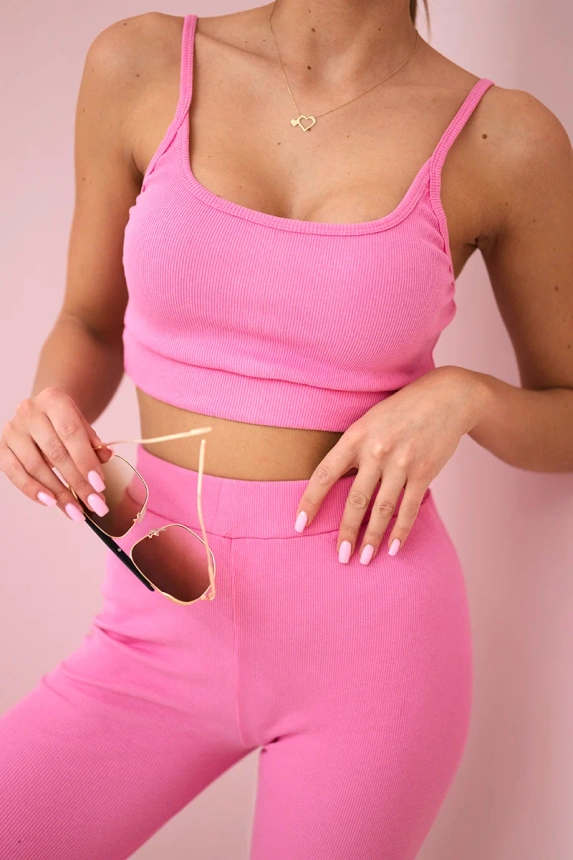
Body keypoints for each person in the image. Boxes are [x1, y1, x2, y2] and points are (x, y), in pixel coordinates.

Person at [1, 1, 572, 858]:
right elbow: (87, 321)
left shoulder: (504, 136)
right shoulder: (143, 61)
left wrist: (469, 395)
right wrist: (50, 401)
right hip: (158, 615)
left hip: (373, 644)